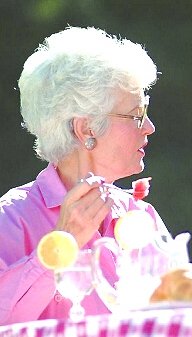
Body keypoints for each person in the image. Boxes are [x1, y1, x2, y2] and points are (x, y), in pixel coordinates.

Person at [0, 26, 170, 324]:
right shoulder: (13, 217)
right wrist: (61, 243)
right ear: (85, 129)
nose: (149, 127)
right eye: (136, 115)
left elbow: (182, 311)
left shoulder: (140, 213)